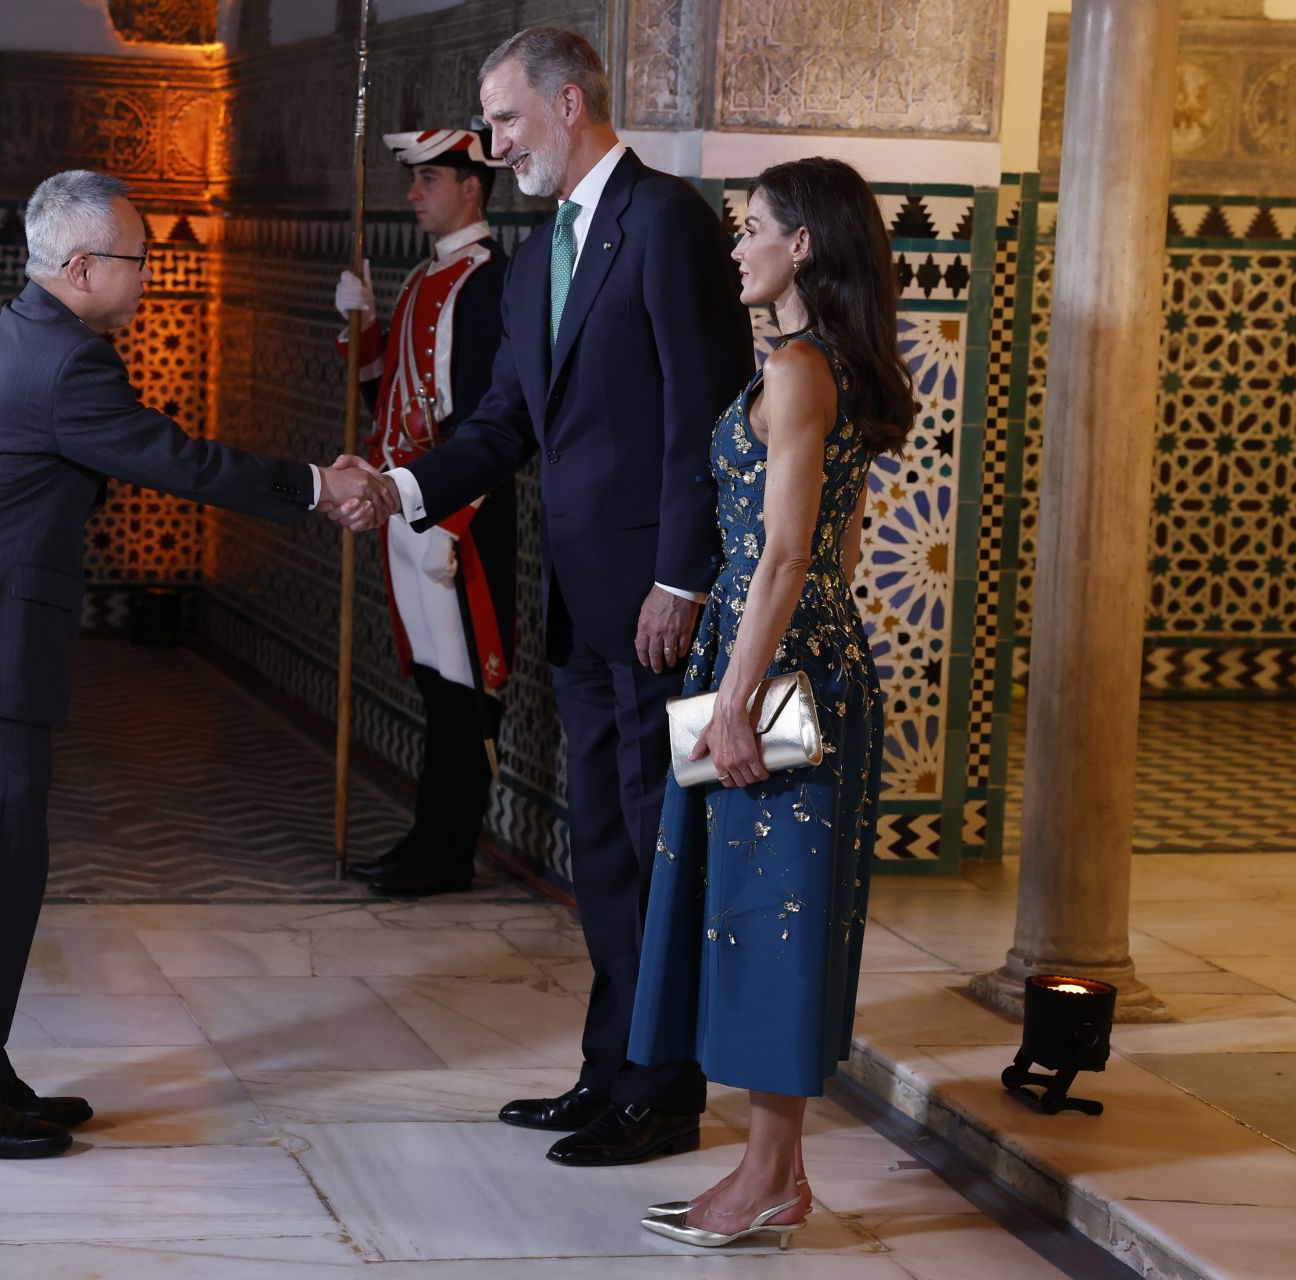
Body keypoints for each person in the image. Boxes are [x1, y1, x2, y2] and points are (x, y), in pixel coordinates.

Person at [0, 169, 390, 1160]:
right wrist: (320, 484)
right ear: (81, 267)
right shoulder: (69, 363)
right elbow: (178, 460)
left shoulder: (32, 332)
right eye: (138, 259)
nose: (149, 275)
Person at [335, 27, 755, 1166]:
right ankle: (609, 1068)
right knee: (607, 847)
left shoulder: (666, 222)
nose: (495, 141)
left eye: (507, 119)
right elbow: (505, 423)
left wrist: (682, 575)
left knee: (663, 842)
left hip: (657, 606)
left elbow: (704, 418)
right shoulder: (533, 260)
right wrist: (403, 485)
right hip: (577, 606)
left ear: (570, 105)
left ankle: (665, 1088)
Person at [628, 157, 915, 1249]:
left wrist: (739, 695)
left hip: (777, 666)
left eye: (751, 228)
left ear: (802, 244)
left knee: (770, 921)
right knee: (751, 910)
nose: (736, 245)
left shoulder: (800, 370)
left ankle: (762, 1178)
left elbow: (793, 553)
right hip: (773, 654)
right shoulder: (812, 363)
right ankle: (775, 1176)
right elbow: (831, 545)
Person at [332, 127, 515, 899]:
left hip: (455, 524)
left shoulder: (485, 283)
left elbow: (485, 425)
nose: (413, 195)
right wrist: (363, 328)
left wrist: (454, 520)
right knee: (437, 691)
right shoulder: (423, 279)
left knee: (466, 696)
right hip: (409, 512)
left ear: (471, 186)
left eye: (428, 180)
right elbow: (391, 403)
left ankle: (447, 851)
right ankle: (429, 842)